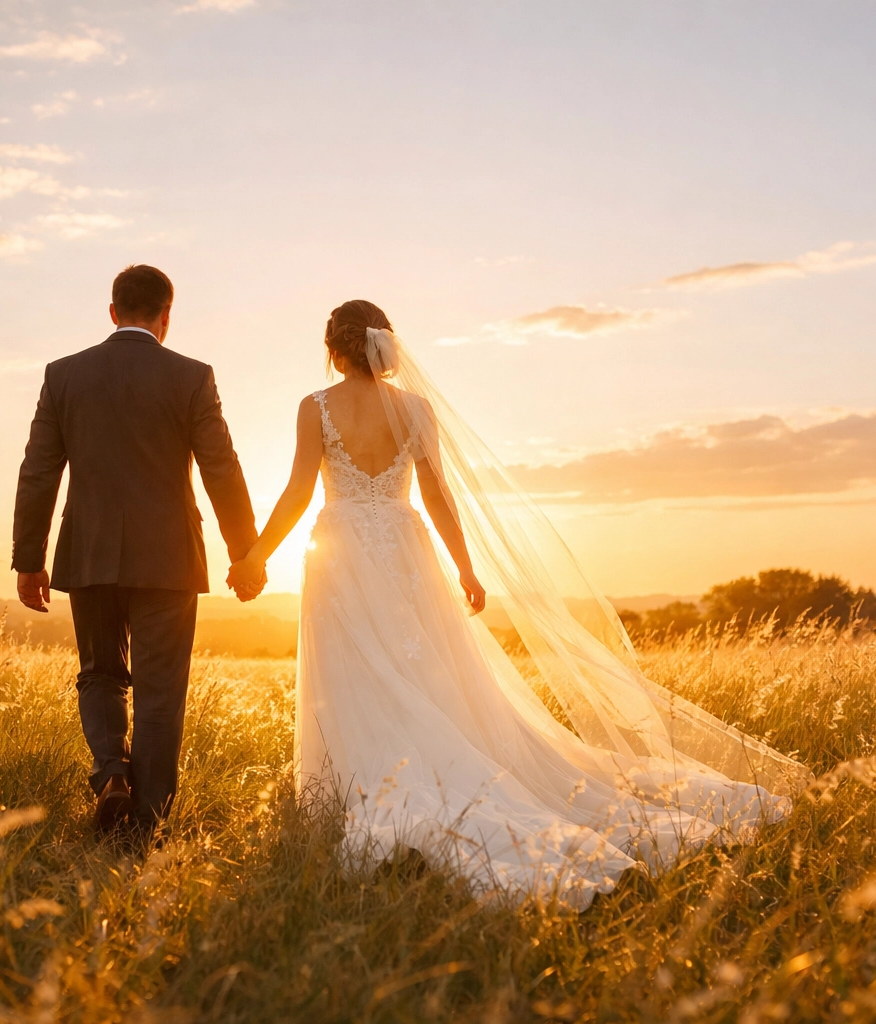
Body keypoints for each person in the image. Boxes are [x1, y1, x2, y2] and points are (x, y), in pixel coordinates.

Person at [227, 300, 808, 906]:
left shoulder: (315, 407)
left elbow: (298, 488)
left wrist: (257, 555)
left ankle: (359, 784)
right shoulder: (414, 408)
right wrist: (465, 567)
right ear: (381, 345)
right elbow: (436, 493)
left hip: (340, 549)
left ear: (334, 347)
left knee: (356, 671)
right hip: (407, 547)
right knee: (425, 671)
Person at [12, 264, 261, 836]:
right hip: (170, 558)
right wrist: (245, 551)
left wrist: (30, 558)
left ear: (112, 311)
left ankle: (110, 776)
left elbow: (38, 472)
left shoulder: (64, 375)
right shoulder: (192, 377)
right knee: (160, 687)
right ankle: (146, 818)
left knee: (100, 673)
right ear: (166, 317)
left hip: (90, 552)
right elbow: (221, 468)